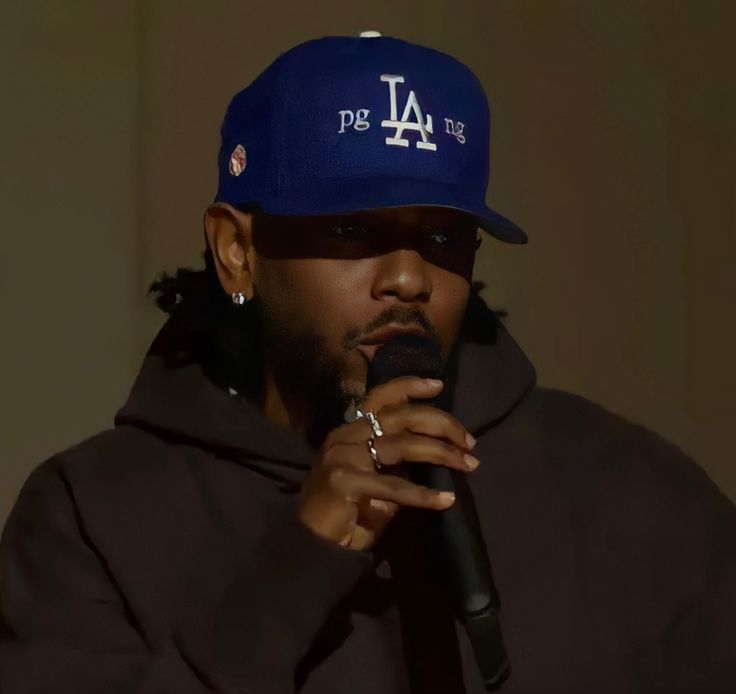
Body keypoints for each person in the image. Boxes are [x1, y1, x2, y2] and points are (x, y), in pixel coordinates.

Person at [0, 32, 734, 694]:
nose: (410, 279)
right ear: (238, 251)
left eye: (444, 238)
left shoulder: (633, 494)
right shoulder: (93, 516)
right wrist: (298, 564)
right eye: (353, 228)